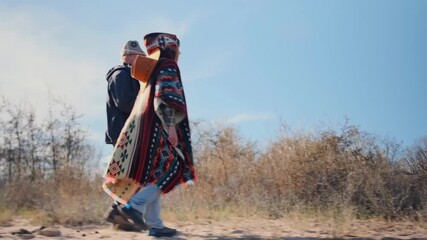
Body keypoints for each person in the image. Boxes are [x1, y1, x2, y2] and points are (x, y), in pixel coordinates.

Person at [103, 32, 196, 238]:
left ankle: (154, 224)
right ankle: (133, 206)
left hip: (144, 131)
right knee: (173, 168)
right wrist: (171, 127)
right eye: (177, 49)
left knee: (151, 175)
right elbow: (164, 98)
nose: (179, 53)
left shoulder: (150, 72)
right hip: (149, 130)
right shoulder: (165, 67)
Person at [103, 40, 146, 230]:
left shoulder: (129, 76)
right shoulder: (120, 75)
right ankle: (117, 211)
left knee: (129, 175)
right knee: (130, 174)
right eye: (140, 58)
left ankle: (118, 214)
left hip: (127, 131)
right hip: (122, 132)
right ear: (129, 56)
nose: (142, 62)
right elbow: (124, 103)